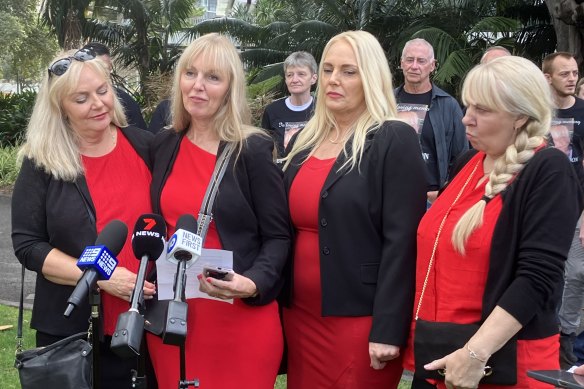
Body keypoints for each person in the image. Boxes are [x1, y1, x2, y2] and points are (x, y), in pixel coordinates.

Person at [405, 56, 583, 389]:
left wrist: (474, 353)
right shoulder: (468, 162)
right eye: (468, 106)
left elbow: (537, 278)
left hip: (500, 364)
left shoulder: (549, 170)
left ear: (520, 117)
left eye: (482, 110)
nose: (466, 119)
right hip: (441, 351)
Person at [282, 30, 427, 388]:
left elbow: (403, 241)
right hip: (298, 315)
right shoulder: (305, 140)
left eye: (349, 71)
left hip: (359, 320)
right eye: (329, 69)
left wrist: (389, 328)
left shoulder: (393, 138)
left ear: (371, 77)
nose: (334, 79)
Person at [147, 33, 291, 388]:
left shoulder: (253, 149)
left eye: (213, 77)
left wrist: (254, 282)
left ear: (230, 88)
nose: (198, 86)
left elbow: (278, 235)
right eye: (190, 73)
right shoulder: (165, 144)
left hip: (237, 317)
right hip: (175, 317)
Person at [11, 48, 155, 388]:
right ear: (60, 107)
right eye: (81, 98)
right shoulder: (41, 162)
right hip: (70, 330)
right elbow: (28, 245)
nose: (98, 104)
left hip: (144, 324)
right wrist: (101, 277)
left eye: (103, 91)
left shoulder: (145, 146)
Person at [542, 51, 584, 369]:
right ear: (548, 78)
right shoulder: (537, 112)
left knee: (576, 274)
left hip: (578, 207)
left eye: (574, 73)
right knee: (546, 272)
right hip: (543, 206)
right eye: (564, 73)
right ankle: (543, 334)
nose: (571, 78)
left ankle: (566, 337)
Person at [394, 38, 468, 204]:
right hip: (392, 196)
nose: (414, 66)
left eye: (421, 61)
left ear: (432, 65)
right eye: (409, 60)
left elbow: (461, 156)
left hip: (432, 198)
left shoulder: (448, 105)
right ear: (402, 63)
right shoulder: (386, 102)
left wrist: (444, 193)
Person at [261, 51, 318, 157]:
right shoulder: (272, 111)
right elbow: (265, 149)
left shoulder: (323, 109)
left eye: (301, 74)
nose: (294, 80)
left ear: (313, 78)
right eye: (290, 75)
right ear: (286, 79)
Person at [82, 42, 148, 130]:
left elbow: (140, 136)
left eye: (105, 69)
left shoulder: (126, 101)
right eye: (81, 100)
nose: (98, 104)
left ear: (110, 67)